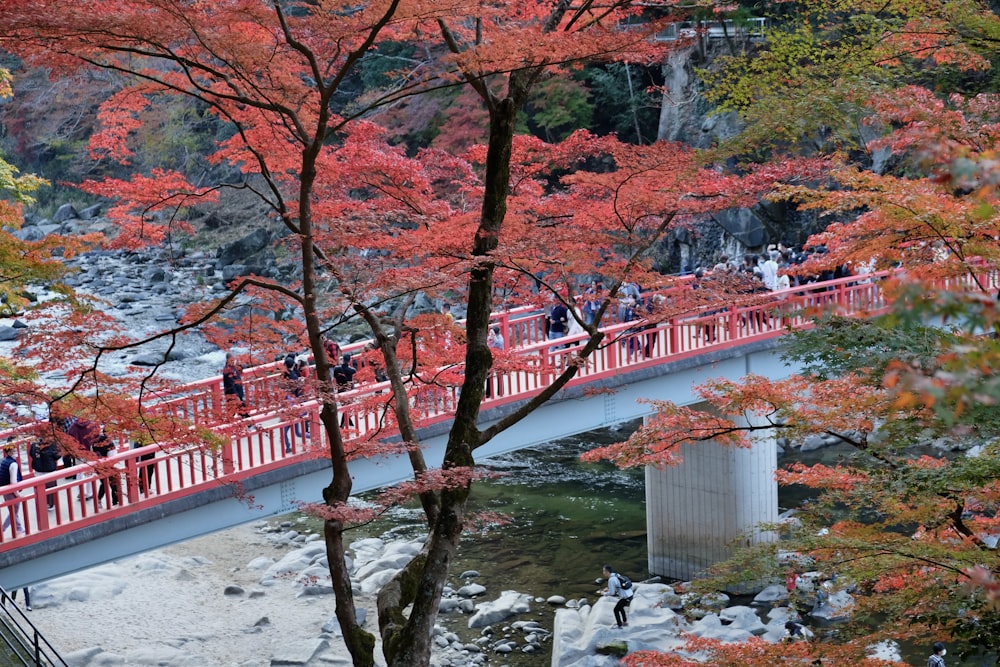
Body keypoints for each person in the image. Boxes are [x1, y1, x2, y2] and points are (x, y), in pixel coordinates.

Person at [600, 564, 633, 628]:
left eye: (604, 571)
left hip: (625, 597)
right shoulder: (616, 575)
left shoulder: (611, 580)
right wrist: (608, 588)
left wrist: (604, 594)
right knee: (620, 607)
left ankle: (619, 625)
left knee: (616, 610)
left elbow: (612, 593)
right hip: (630, 595)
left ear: (607, 572)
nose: (603, 573)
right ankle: (625, 622)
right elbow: (618, 584)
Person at [0, 444, 23, 535]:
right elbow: (13, 480)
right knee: (14, 511)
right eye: (14, 451)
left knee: (12, 510)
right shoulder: (13, 464)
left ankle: (19, 528)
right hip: (11, 491)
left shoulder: (4, 461)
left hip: (5, 490)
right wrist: (16, 493)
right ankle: (3, 528)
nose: (16, 453)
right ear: (9, 452)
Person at [222, 352, 247, 417]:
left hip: (237, 392)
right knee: (237, 411)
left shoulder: (233, 368)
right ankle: (249, 424)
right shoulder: (227, 370)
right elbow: (230, 384)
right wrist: (236, 396)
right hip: (233, 394)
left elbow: (240, 372)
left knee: (239, 411)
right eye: (231, 360)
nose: (233, 361)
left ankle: (248, 424)